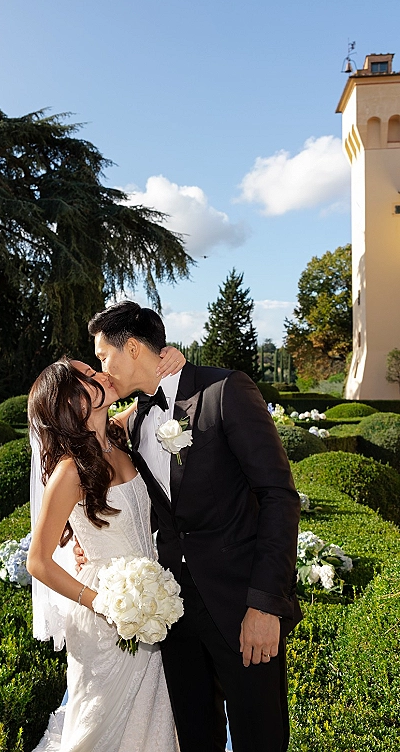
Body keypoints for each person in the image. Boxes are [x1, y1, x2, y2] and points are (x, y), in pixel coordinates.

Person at [85, 301, 302, 752]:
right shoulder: (136, 419)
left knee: (259, 740)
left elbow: (279, 496)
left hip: (242, 608)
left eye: (104, 356)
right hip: (175, 616)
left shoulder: (225, 390)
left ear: (132, 348)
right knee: (192, 740)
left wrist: (266, 605)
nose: (100, 368)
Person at [27, 357, 179, 752]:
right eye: (90, 376)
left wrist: (171, 356)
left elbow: (155, 388)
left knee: (153, 720)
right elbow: (37, 561)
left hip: (153, 600)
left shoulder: (117, 435)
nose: (102, 374)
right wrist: (105, 604)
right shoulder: (69, 471)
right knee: (101, 728)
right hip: (106, 613)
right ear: (73, 402)